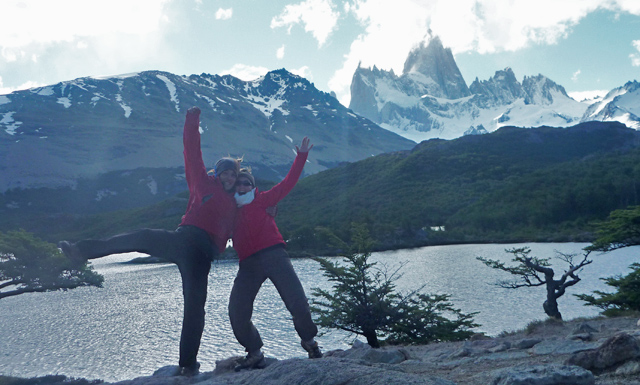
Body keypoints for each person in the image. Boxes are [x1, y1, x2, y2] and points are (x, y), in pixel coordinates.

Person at [58, 106, 238, 376]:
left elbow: (256, 215)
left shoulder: (237, 203)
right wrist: (192, 120)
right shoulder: (202, 182)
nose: (228, 177)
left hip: (202, 256)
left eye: (233, 174)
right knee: (140, 236)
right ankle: (80, 250)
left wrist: (269, 211)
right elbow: (192, 153)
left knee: (195, 307)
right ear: (217, 173)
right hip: (182, 239)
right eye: (225, 172)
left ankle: (188, 363)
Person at [229, 136, 322, 372]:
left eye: (246, 184)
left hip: (274, 255)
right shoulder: (229, 211)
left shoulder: (263, 200)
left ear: (252, 186)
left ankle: (310, 342)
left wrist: (301, 156)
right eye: (238, 184)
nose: (242, 187)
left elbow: (288, 183)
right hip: (248, 264)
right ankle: (255, 353)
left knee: (298, 303)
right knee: (237, 312)